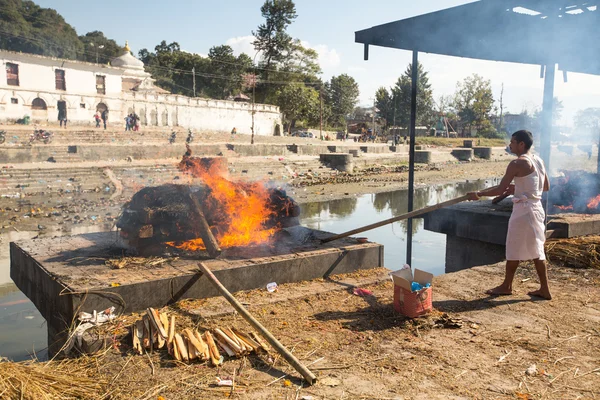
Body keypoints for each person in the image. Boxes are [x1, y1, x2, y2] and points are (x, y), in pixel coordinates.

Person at [467, 130, 551, 300]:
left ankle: (507, 286)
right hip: (536, 208)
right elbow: (545, 187)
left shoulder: (517, 163)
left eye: (513, 142)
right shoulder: (539, 160)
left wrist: (479, 193)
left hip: (524, 211)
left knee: (514, 248)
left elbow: (499, 189)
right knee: (536, 249)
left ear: (521, 144)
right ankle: (543, 289)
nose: (510, 145)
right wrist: (519, 188)